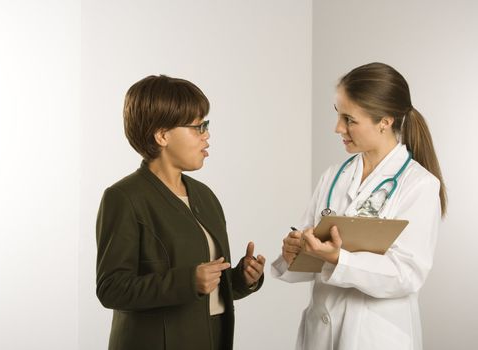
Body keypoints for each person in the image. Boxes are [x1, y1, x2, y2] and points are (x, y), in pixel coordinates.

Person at [272, 62, 447, 350]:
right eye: (338, 115)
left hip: (374, 336)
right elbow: (311, 252)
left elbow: (407, 274)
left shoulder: (418, 184)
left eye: (349, 119)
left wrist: (339, 259)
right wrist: (294, 252)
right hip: (321, 331)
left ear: (385, 121)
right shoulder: (334, 175)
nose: (338, 128)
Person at [96, 75, 265, 350]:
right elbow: (111, 289)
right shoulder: (123, 198)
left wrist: (242, 279)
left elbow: (209, 291)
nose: (206, 135)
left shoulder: (204, 196)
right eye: (198, 127)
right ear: (162, 135)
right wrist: (188, 281)